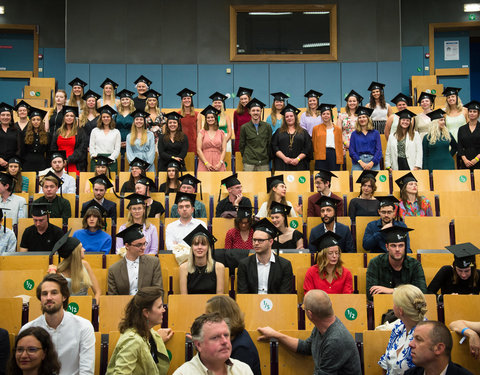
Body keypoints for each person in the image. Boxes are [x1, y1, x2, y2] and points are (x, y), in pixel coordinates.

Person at [257, 290, 362, 374]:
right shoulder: (321, 326)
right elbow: (306, 347)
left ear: (310, 314)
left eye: (304, 307)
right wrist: (276, 335)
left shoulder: (336, 340)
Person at [20, 273, 95, 375]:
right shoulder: (28, 329)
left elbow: (86, 371)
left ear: (64, 296)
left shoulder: (83, 327)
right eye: (44, 294)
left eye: (54, 293)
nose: (49, 297)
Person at [106, 286, 170, 375]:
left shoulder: (150, 333)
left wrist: (159, 338)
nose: (163, 310)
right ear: (146, 313)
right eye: (159, 307)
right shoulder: (132, 341)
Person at [173, 312, 253, 375]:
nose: (224, 341)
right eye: (215, 337)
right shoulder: (183, 373)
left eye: (226, 335)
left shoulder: (243, 370)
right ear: (199, 345)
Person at [366, 226, 427, 301]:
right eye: (393, 246)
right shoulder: (375, 263)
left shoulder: (414, 265)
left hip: (408, 308)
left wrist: (392, 291)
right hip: (383, 305)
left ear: (405, 247)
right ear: (387, 247)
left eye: (401, 245)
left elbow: (422, 292)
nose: (397, 249)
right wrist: (408, 293)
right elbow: (370, 294)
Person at [205, 295, 261, 375]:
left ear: (221, 317)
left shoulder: (242, 348)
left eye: (208, 315)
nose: (205, 319)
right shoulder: (232, 336)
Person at [378, 284, 428, 375]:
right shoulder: (399, 326)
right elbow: (386, 364)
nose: (392, 306)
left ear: (400, 311)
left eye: (394, 304)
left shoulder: (426, 334)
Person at [237, 218, 294, 294]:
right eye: (254, 240)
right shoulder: (244, 265)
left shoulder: (284, 265)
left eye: (260, 240)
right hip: (251, 303)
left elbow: (284, 295)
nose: (256, 243)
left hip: (277, 304)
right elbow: (243, 294)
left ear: (270, 242)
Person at [108, 224, 163, 295]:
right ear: (127, 246)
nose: (143, 247)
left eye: (144, 243)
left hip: (148, 304)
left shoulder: (153, 263)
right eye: (139, 245)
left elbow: (158, 291)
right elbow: (113, 299)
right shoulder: (114, 270)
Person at [49, 230, 101, 302]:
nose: (84, 249)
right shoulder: (58, 272)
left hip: (85, 306)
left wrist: (93, 306)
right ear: (75, 253)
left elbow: (98, 292)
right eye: (81, 248)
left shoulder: (85, 265)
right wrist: (52, 275)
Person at [406, 321, 474, 375]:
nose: (410, 344)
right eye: (413, 338)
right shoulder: (410, 373)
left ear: (439, 348)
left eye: (418, 339)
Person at [179, 224, 225, 294]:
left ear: (208, 248)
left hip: (212, 304)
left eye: (203, 244)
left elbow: (219, 297)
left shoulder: (218, 267)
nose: (199, 247)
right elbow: (184, 297)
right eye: (196, 244)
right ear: (192, 248)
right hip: (190, 304)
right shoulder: (184, 268)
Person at [272, 103, 312, 171]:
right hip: (282, 164)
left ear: (295, 117)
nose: (289, 118)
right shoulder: (279, 131)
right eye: (287, 117)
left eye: (291, 116)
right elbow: (274, 147)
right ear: (284, 119)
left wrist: (297, 159)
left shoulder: (303, 132)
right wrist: (284, 158)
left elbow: (307, 148)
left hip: (300, 164)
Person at [51, 105, 87, 174]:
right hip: (59, 164)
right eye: (67, 116)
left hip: (74, 164)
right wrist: (59, 160)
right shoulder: (58, 132)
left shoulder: (80, 132)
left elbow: (81, 150)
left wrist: (67, 160)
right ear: (64, 118)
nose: (69, 118)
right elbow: (53, 147)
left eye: (71, 116)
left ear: (74, 118)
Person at [239, 98, 271, 171]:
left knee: (263, 182)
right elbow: (242, 145)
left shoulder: (267, 126)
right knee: (247, 182)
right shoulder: (244, 127)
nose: (255, 112)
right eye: (253, 110)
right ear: (249, 112)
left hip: (263, 162)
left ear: (260, 112)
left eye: (257, 110)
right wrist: (247, 156)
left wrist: (266, 157)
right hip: (249, 162)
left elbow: (269, 144)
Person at [89, 105, 121, 173]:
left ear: (111, 118)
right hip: (97, 160)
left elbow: (117, 149)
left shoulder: (116, 132)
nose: (106, 118)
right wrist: (95, 156)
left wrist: (111, 158)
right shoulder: (95, 131)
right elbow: (91, 146)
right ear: (101, 118)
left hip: (111, 160)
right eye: (104, 117)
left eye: (108, 117)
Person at [349, 106, 382, 170]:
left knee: (375, 180)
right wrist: (360, 162)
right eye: (360, 117)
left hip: (373, 161)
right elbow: (351, 151)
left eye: (364, 117)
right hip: (358, 161)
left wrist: (372, 163)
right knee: (356, 179)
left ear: (368, 119)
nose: (362, 119)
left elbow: (378, 150)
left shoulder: (375, 133)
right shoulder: (354, 134)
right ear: (357, 120)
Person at [312, 103, 343, 171]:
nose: (326, 116)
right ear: (321, 115)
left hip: (334, 154)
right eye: (323, 114)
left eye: (328, 114)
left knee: (334, 176)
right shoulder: (316, 128)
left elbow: (340, 144)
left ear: (331, 115)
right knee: (321, 177)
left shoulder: (337, 129)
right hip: (320, 155)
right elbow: (314, 142)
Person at [197, 105, 227, 172]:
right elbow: (198, 149)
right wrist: (206, 163)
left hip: (218, 162)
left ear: (215, 118)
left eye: (212, 117)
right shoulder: (202, 132)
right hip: (204, 161)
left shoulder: (221, 133)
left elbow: (224, 149)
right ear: (206, 119)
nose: (210, 119)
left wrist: (220, 163)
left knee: (219, 181)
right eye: (208, 118)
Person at [22, 107, 51, 172]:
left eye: (38, 120)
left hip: (41, 163)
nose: (36, 122)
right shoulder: (24, 134)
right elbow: (22, 150)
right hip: (27, 163)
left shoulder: (47, 135)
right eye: (33, 120)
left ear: (41, 121)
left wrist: (48, 165)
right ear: (30, 121)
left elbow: (48, 152)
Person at [457, 100, 480, 170]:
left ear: (478, 114)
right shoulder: (462, 129)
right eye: (470, 111)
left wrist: (476, 159)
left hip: (478, 160)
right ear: (468, 113)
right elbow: (460, 146)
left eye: (474, 112)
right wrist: (465, 160)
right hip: (465, 162)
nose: (472, 113)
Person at [0, 102, 22, 172]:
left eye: (8, 115)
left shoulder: (16, 131)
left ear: (11, 117)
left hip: (12, 166)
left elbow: (19, 148)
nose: (5, 117)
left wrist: (12, 161)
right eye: (3, 115)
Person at [177, 88, 200, 153]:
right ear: (182, 101)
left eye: (188, 98)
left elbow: (199, 133)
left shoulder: (197, 115)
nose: (187, 100)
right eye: (184, 99)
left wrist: (199, 146)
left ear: (191, 100)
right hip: (181, 144)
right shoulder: (178, 114)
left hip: (193, 144)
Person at [115, 89, 135, 155]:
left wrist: (129, 142)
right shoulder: (116, 115)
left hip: (132, 143)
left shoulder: (135, 115)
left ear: (131, 101)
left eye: (127, 99)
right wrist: (118, 143)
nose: (125, 101)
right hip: (117, 144)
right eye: (123, 100)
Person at [233, 87, 253, 153]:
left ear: (249, 99)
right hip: (240, 140)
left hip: (252, 139)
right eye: (241, 99)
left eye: (245, 98)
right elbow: (236, 129)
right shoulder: (236, 113)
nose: (243, 101)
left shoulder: (254, 111)